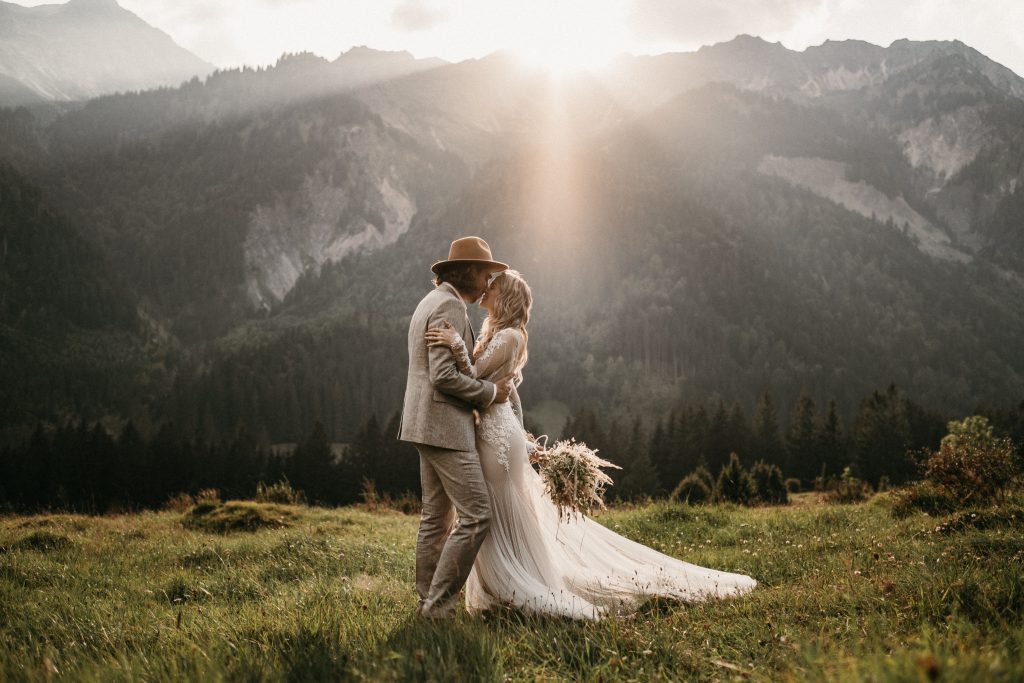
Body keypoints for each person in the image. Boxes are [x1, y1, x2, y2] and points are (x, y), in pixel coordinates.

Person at [425, 269, 757, 620]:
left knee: (501, 512)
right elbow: (507, 394)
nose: (485, 290)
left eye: (492, 286)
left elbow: (473, 375)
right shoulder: (500, 333)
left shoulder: (510, 336)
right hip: (497, 431)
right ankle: (502, 588)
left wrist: (455, 345)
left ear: (505, 296)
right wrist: (524, 436)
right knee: (499, 512)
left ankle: (518, 583)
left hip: (495, 441)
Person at [398, 236, 515, 619]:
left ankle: (427, 604)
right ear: (467, 272)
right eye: (484, 274)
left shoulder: (429, 302)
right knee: (477, 514)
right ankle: (439, 605)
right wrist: (491, 392)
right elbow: (444, 376)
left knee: (435, 517)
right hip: (445, 425)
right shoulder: (449, 304)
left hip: (422, 423)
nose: (487, 284)